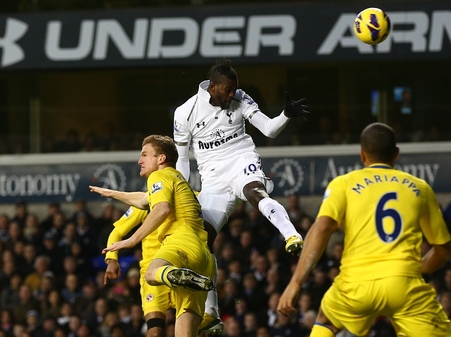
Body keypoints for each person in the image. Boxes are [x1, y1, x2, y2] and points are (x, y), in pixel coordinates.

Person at [277, 123, 451, 336]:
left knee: (326, 320)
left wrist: (296, 282)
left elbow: (322, 227)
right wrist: (420, 267)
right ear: (396, 154)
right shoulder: (420, 187)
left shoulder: (343, 183)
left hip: (356, 285)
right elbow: (443, 250)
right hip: (403, 283)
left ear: (362, 155)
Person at [172, 58, 308, 333]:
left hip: (241, 159)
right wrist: (182, 190)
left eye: (235, 89)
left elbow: (268, 128)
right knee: (201, 241)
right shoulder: (185, 112)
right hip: (212, 179)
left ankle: (291, 234)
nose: (232, 93)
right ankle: (211, 313)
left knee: (254, 192)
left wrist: (286, 115)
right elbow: (183, 160)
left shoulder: (240, 98)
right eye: (228, 89)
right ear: (213, 87)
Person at [90, 134, 216, 337]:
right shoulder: (184, 188)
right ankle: (210, 316)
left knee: (151, 273)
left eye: (145, 155)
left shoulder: (159, 178)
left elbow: (161, 209)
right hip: (200, 256)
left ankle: (201, 306)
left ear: (161, 159)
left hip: (175, 251)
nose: (140, 160)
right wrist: (113, 193)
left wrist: (131, 241)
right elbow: (142, 200)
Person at [102, 206, 171, 337]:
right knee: (155, 333)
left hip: (184, 269)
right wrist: (111, 259)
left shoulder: (191, 198)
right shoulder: (145, 202)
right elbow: (117, 232)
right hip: (153, 275)